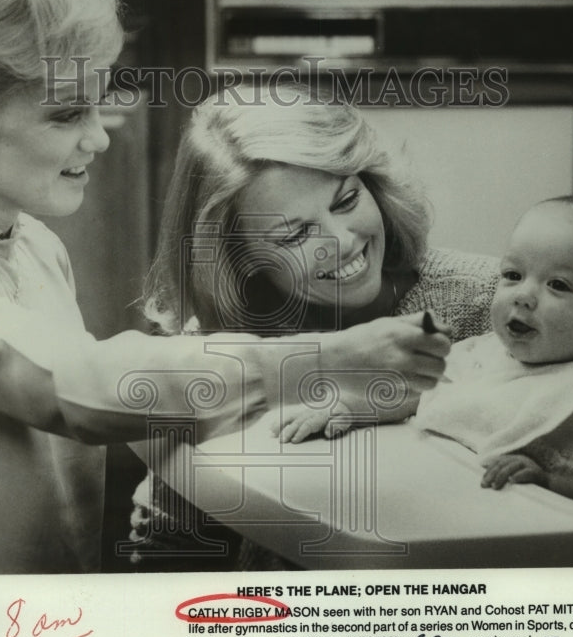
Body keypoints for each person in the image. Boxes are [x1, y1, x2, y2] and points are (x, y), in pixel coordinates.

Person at [0, 0, 450, 576]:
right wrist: (328, 360)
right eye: (66, 114)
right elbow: (75, 387)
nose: (99, 136)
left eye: (98, 104)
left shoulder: (33, 247)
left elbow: (112, 412)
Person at [130, 84, 502, 568]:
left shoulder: (490, 302)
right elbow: (166, 538)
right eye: (295, 234)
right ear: (238, 260)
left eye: (346, 201)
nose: (342, 242)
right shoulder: (219, 351)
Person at [281, 195, 573, 506]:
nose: (522, 295)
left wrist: (549, 485)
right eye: (512, 275)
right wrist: (349, 408)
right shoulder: (479, 353)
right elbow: (418, 396)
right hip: (437, 506)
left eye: (557, 285)